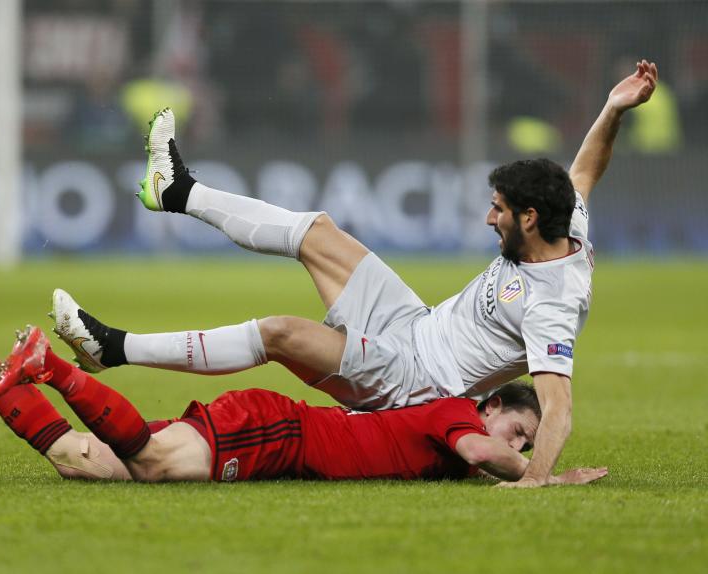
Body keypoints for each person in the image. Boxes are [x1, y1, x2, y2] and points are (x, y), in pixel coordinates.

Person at [51, 60, 659, 488]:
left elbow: (560, 406)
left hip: (417, 380)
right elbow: (583, 172)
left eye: (497, 209)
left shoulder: (553, 303)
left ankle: (114, 349)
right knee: (318, 232)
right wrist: (612, 107)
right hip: (414, 324)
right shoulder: (561, 217)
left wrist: (537, 480)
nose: (486, 217)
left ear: (528, 217)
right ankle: (178, 191)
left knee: (282, 334)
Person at [0, 307, 607, 486]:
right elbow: (482, 449)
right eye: (520, 429)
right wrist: (542, 475)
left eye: (525, 440)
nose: (516, 444)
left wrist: (525, 465)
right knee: (155, 462)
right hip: (279, 433)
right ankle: (56, 369)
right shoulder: (457, 410)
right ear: (488, 406)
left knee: (84, 460)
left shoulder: (463, 428)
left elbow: (482, 453)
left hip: (273, 432)